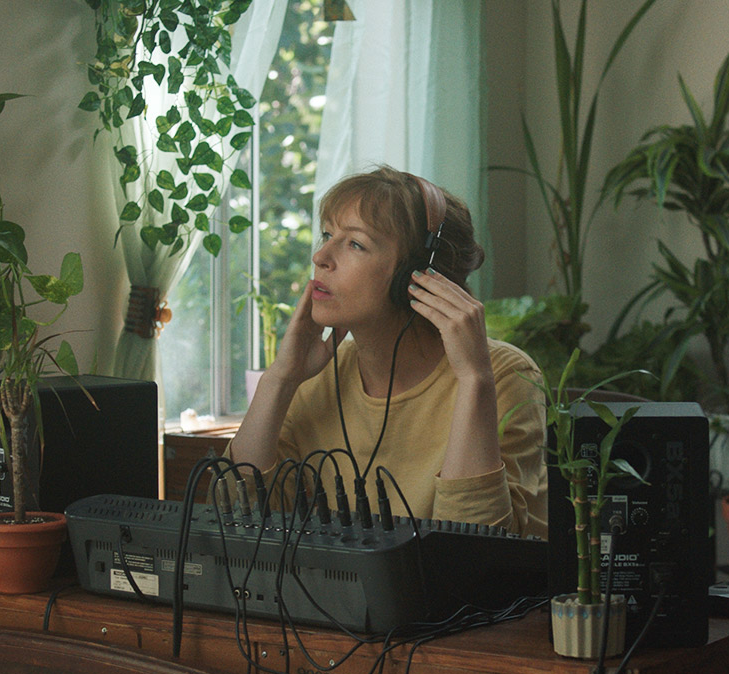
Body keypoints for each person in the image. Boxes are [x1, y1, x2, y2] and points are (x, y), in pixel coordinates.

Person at [229, 166, 547, 538]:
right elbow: (238, 515)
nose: (321, 257)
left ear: (416, 275)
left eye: (355, 244)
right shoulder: (316, 376)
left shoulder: (503, 375)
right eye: (328, 235)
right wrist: (280, 378)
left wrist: (474, 381)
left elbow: (474, 546)